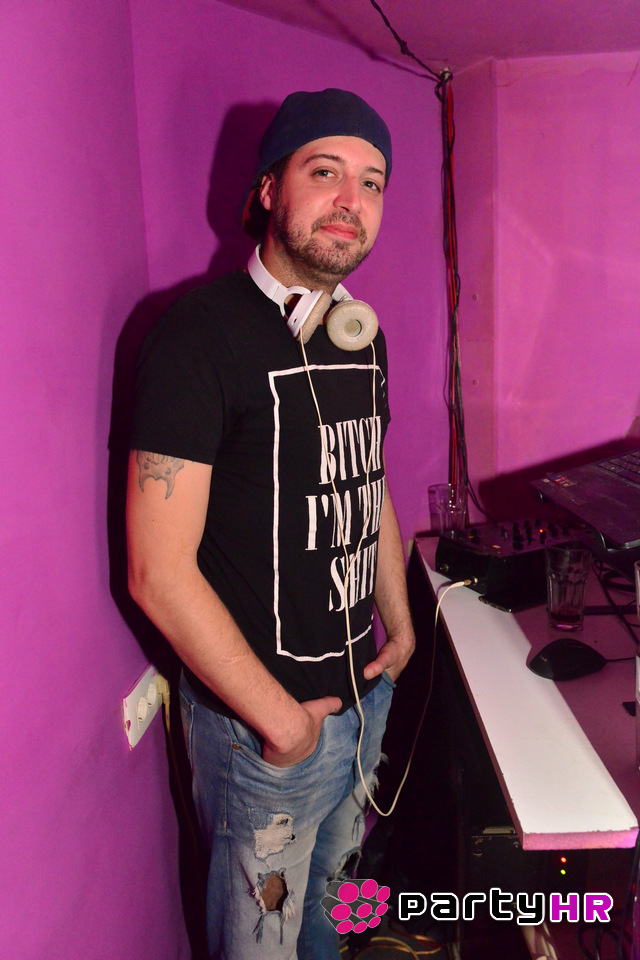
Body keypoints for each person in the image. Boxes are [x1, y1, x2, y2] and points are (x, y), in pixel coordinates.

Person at [126, 88, 415, 960]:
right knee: (261, 943)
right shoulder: (197, 337)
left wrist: (399, 623)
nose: (351, 200)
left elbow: (368, 479)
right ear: (266, 190)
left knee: (330, 914)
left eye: (371, 182)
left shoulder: (361, 336)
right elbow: (158, 573)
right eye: (324, 172)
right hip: (265, 735)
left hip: (363, 699)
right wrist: (283, 726)